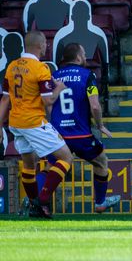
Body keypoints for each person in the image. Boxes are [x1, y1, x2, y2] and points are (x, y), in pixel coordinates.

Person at [0, 31, 71, 218]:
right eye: (46, 44)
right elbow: (48, 102)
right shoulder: (41, 68)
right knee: (66, 158)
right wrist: (59, 88)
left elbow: (5, 101)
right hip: (33, 122)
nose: (47, 46)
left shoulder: (12, 67)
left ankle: (34, 206)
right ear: (40, 46)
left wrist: (0, 126)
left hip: (16, 123)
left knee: (29, 165)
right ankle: (43, 199)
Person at [49, 43, 120, 213]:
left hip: (58, 134)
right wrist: (100, 125)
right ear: (79, 57)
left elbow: (47, 104)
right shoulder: (88, 75)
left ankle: (35, 199)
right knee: (101, 161)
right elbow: (95, 106)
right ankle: (100, 202)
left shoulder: (54, 75)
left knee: (50, 168)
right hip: (80, 135)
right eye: (84, 53)